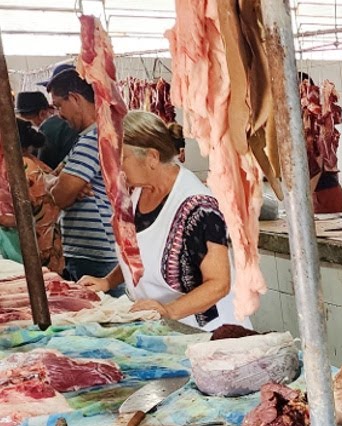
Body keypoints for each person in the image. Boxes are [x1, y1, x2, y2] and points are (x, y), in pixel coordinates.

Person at [78, 112, 239, 331]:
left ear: (152, 157)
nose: (116, 167)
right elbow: (141, 256)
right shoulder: (138, 193)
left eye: (122, 158)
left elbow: (219, 283)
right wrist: (107, 281)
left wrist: (168, 311)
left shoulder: (200, 208)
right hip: (161, 328)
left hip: (207, 333)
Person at [45, 68, 119, 287]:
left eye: (59, 105)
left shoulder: (93, 140)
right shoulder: (86, 139)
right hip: (91, 252)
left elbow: (60, 196)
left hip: (98, 254)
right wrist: (61, 182)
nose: (59, 114)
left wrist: (62, 185)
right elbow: (52, 178)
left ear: (75, 98)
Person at [0, 120, 63, 272]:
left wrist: (5, 219)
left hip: (36, 249)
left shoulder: (22, 166)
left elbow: (30, 214)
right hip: (44, 247)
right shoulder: (29, 163)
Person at [299, 73, 342, 214]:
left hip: (324, 193)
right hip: (319, 192)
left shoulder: (317, 121)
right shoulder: (307, 119)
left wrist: (304, 200)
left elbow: (319, 161)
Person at [15, 89, 77, 169]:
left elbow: (43, 168)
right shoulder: (67, 121)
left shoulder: (47, 129)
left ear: (42, 114)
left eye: (27, 124)